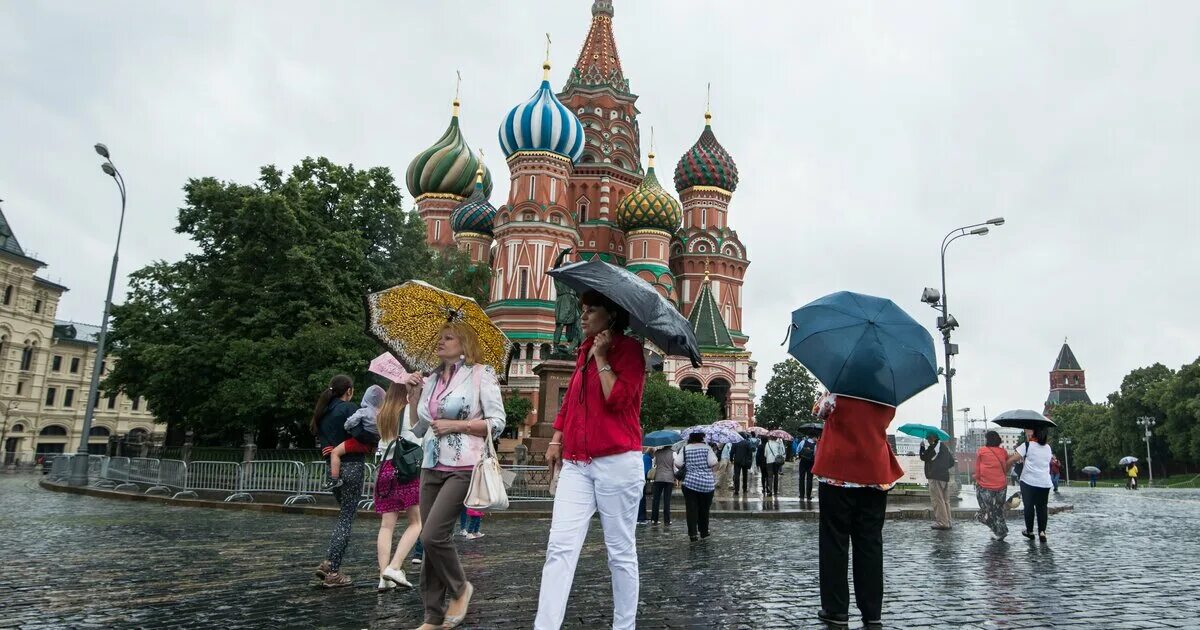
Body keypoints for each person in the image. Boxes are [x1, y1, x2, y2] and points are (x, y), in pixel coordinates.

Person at [535, 290, 647, 630]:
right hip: (577, 463)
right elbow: (571, 402)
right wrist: (556, 438)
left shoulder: (630, 351)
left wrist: (602, 358)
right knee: (559, 547)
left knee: (620, 552)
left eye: (591, 310)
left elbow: (618, 399)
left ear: (611, 315)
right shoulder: (581, 350)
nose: (582, 317)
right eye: (582, 310)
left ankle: (624, 626)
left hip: (617, 461)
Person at [404, 322, 507, 630]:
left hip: (464, 465)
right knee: (434, 539)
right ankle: (433, 616)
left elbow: (498, 422)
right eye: (440, 337)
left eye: (448, 338)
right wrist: (413, 395)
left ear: (464, 345)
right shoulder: (432, 379)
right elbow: (419, 427)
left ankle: (461, 589)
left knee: (431, 535)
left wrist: (456, 425)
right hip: (431, 465)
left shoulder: (480, 375)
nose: (441, 342)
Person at [811, 392, 903, 628]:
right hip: (874, 472)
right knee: (870, 543)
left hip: (837, 472)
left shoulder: (839, 391)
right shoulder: (888, 395)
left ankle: (836, 609)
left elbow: (819, 411)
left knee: (834, 542)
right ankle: (872, 612)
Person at [311, 374, 361, 588]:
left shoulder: (323, 412)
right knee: (346, 518)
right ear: (348, 390)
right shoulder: (349, 409)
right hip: (351, 466)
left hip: (331, 469)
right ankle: (332, 569)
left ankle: (329, 563)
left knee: (344, 514)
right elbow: (362, 433)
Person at [373, 381, 423, 592]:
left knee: (386, 525)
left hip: (384, 470)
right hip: (406, 469)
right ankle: (395, 566)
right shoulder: (410, 411)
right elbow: (420, 434)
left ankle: (383, 575)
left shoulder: (383, 413)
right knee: (416, 522)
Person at [324, 384, 385, 498]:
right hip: (374, 444)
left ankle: (334, 478)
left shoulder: (363, 411)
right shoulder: (382, 414)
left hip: (358, 443)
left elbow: (352, 421)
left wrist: (347, 427)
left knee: (335, 452)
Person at [1008, 427, 1053, 543]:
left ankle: (1030, 531)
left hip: (1028, 481)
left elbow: (1014, 458)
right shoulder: (1048, 448)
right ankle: (1042, 532)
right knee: (1042, 507)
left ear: (1035, 434)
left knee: (1029, 506)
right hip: (1044, 482)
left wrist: (1007, 463)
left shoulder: (1027, 445)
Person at [674, 430, 718, 542]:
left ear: (690, 438)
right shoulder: (707, 448)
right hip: (706, 484)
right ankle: (704, 531)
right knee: (704, 509)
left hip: (690, 483)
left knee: (691, 509)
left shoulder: (685, 448)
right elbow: (713, 462)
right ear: (702, 438)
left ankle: (692, 534)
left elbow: (678, 463)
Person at [974, 430, 1012, 540]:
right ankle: (1001, 530)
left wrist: (976, 479)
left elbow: (978, 468)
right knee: (998, 509)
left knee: (984, 512)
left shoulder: (981, 451)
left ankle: (998, 530)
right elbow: (1006, 467)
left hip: (986, 486)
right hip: (1001, 485)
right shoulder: (1003, 452)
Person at [919, 434, 955, 530]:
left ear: (934, 438)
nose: (927, 440)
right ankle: (948, 521)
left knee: (938, 500)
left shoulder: (934, 447)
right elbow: (951, 461)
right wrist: (943, 468)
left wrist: (922, 448)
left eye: (929, 438)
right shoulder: (944, 447)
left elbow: (924, 457)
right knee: (945, 501)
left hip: (935, 477)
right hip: (945, 477)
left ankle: (942, 522)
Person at [650, 445, 676, 526]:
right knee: (667, 500)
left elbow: (654, 464)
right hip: (669, 478)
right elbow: (675, 467)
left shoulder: (657, 452)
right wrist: (676, 477)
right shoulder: (673, 453)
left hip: (658, 477)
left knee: (656, 500)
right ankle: (667, 521)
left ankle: (654, 519)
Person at [796, 435, 818, 506]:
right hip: (811, 463)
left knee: (801, 479)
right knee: (809, 479)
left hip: (802, 462)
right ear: (813, 437)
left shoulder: (803, 442)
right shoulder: (815, 445)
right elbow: (815, 454)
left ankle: (801, 495)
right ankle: (808, 496)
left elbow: (798, 450)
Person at [637, 449, 653, 524]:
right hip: (642, 481)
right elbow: (647, 471)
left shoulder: (643, 457)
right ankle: (641, 517)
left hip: (639, 480)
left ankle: (642, 516)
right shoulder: (648, 458)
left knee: (642, 499)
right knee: (642, 500)